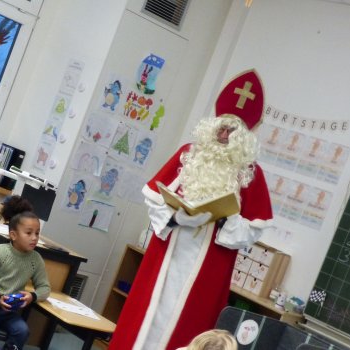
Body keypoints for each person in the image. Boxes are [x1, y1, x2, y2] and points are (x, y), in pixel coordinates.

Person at [110, 70, 273, 349]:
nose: (223, 135)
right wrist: (174, 216)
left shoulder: (249, 173)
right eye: (221, 128)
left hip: (209, 264)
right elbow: (152, 195)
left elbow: (255, 227)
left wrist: (224, 221)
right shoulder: (189, 154)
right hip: (167, 254)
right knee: (145, 318)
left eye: (231, 131)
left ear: (242, 137)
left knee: (191, 329)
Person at [0, 211, 51, 350]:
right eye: (29, 233)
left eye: (37, 233)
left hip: (8, 309)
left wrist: (32, 296)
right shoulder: (0, 252)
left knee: (22, 330)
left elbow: (45, 287)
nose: (34, 238)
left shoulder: (36, 259)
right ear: (13, 235)